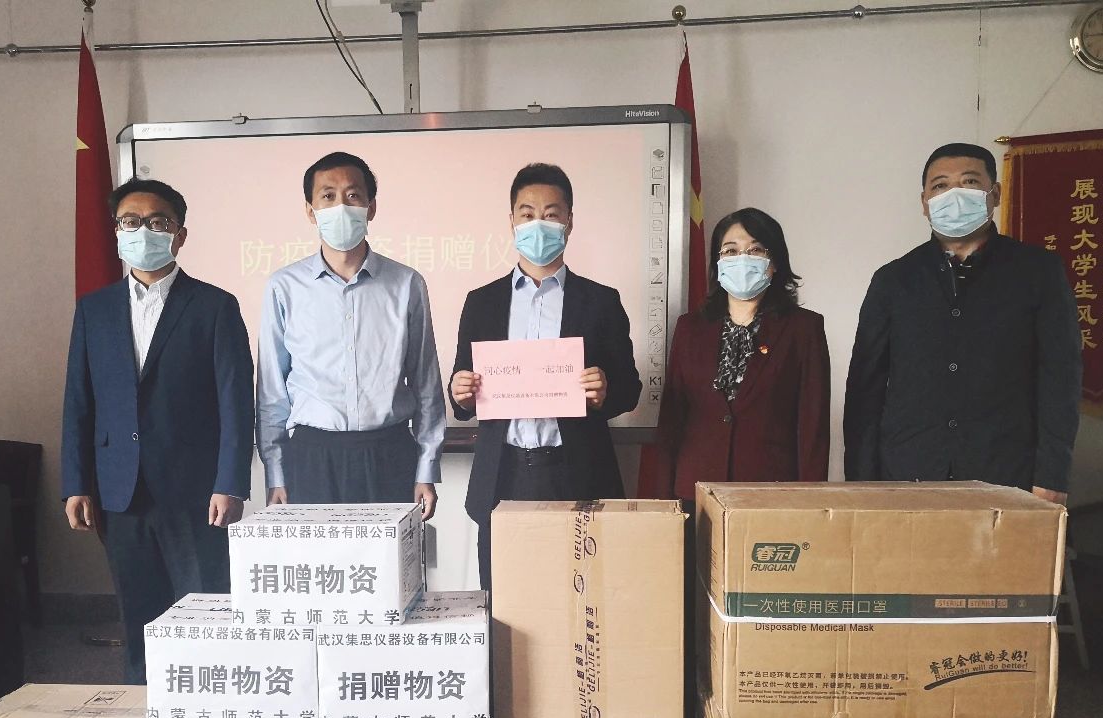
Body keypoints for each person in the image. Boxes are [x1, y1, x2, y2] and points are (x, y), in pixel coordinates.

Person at [62, 177, 254, 684]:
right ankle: (142, 709)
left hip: (196, 494)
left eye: (157, 222)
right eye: (130, 222)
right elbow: (79, 402)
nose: (142, 231)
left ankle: (211, 709)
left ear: (180, 235)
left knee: (206, 611)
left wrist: (231, 483)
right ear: (116, 231)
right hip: (119, 491)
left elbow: (237, 404)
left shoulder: (215, 306)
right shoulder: (94, 309)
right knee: (139, 615)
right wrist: (76, 483)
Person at [844, 142, 1081, 503]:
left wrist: (1052, 476)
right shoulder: (893, 281)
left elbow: (1060, 379)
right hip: (907, 473)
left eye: (969, 182)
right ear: (925, 202)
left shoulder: (1038, 272)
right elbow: (866, 389)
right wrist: (861, 482)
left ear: (994, 194)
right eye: (940, 186)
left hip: (1007, 474)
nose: (954, 194)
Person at [449, 163, 642, 589]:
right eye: (527, 213)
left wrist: (605, 390)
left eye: (551, 214)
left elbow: (630, 389)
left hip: (576, 471)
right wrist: (460, 392)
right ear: (512, 221)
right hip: (504, 472)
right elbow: (462, 384)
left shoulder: (600, 301)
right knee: (504, 596)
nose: (539, 223)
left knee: (580, 595)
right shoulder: (481, 302)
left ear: (569, 222)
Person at [256, 151, 446, 518]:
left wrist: (426, 468)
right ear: (310, 211)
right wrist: (276, 472)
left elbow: (426, 383)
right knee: (318, 556)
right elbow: (272, 389)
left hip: (389, 451)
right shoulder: (284, 287)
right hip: (312, 456)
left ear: (371, 207)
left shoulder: (406, 284)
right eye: (328, 196)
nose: (341, 206)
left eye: (353, 195)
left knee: (393, 556)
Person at [644, 207, 830, 499]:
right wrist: (664, 502)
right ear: (718, 263)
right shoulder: (690, 328)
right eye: (730, 251)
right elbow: (671, 423)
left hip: (770, 494)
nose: (742, 259)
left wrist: (809, 503)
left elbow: (812, 428)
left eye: (755, 250)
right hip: (695, 490)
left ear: (774, 262)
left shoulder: (803, 329)